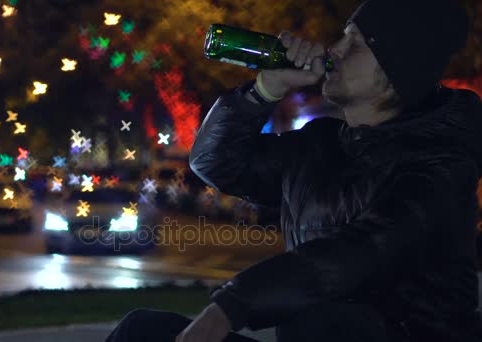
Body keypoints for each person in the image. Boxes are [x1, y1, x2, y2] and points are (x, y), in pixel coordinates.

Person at [105, 0, 482, 341]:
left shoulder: (440, 165)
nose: (334, 50)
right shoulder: (320, 146)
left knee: (327, 322)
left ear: (395, 71)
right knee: (142, 330)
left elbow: (357, 252)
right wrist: (265, 91)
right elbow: (214, 163)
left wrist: (232, 306)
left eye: (356, 43)